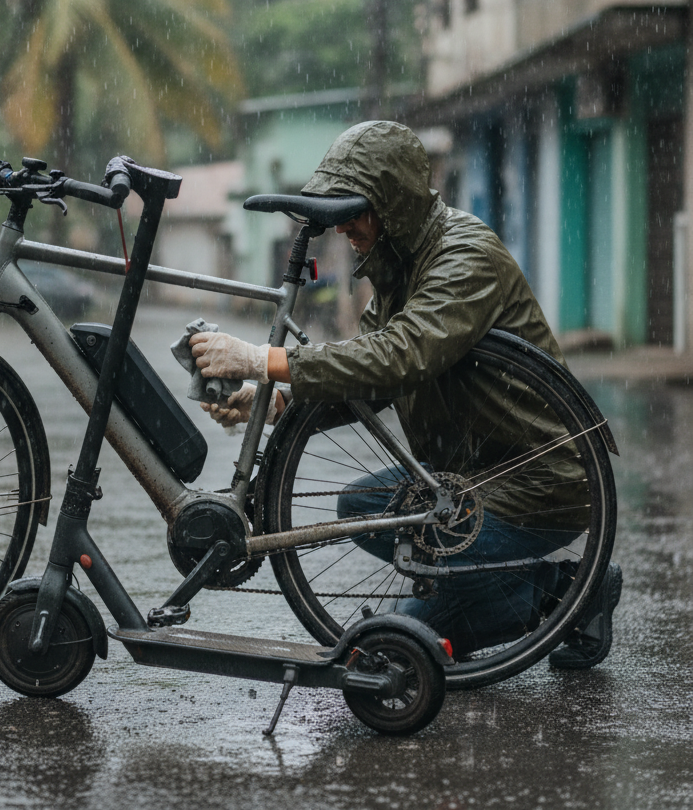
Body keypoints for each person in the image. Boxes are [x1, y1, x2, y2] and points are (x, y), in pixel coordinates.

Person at [190, 120, 621, 668]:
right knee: (361, 508)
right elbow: (369, 383)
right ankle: (536, 586)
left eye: (353, 210)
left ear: (392, 205)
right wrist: (271, 403)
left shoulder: (464, 256)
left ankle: (569, 592)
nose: (344, 226)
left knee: (402, 643)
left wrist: (264, 359)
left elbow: (402, 355)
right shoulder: (400, 270)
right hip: (464, 471)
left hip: (541, 480)